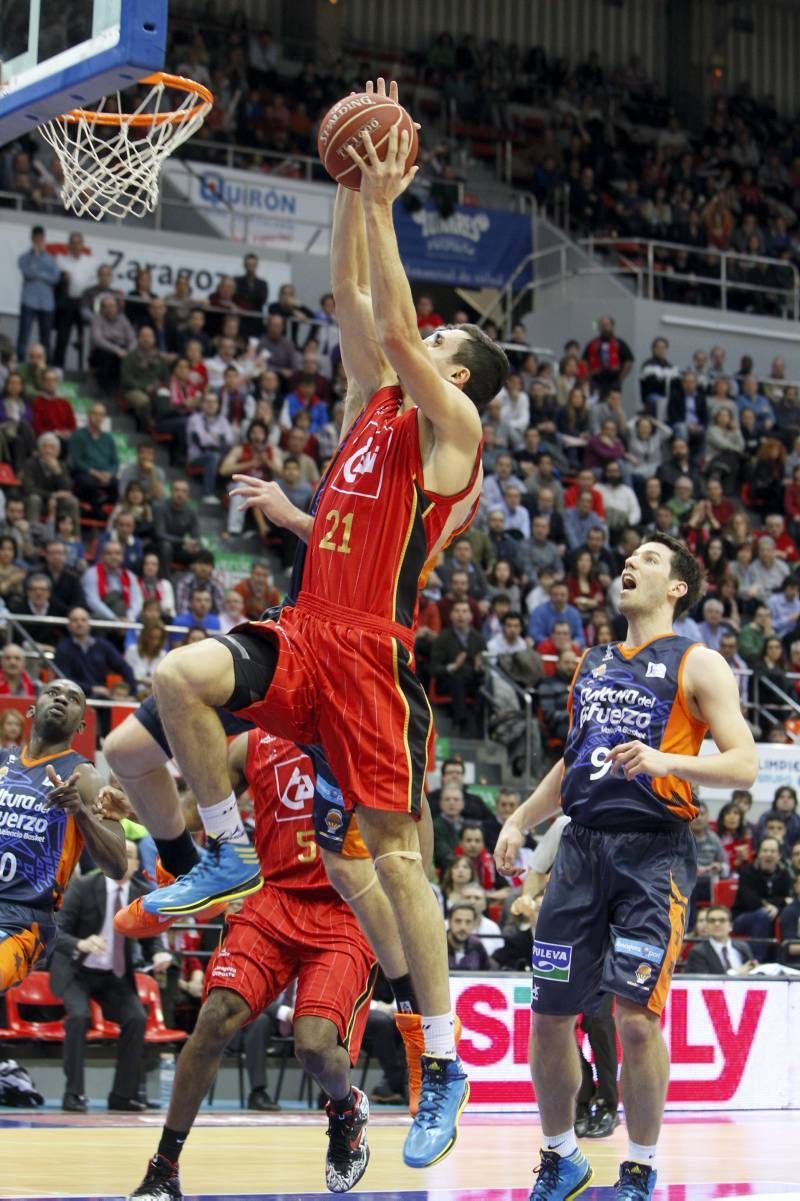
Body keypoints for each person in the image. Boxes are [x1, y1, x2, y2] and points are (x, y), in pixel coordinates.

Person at [141, 85, 507, 1171]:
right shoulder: (371, 406)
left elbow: (392, 320)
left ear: (458, 374)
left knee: (399, 868)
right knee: (176, 677)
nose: (420, 340)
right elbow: (355, 294)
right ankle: (225, 845)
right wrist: (351, 186)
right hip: (304, 629)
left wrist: (387, 191)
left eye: (441, 341)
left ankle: (440, 1059)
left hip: (371, 657)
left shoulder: (453, 428)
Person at [495, 532, 758, 1200]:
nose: (628, 565)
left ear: (676, 587)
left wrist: (673, 761)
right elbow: (574, 760)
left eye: (648, 559)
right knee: (550, 1012)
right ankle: (561, 1156)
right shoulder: (594, 662)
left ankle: (638, 1166)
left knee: (636, 1018)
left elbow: (745, 763)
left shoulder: (700, 664)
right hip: (582, 847)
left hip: (653, 850)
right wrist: (521, 818)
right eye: (627, 558)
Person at [125, 729, 377, 1198]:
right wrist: (144, 815)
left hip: (345, 907)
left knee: (315, 1048)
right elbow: (194, 807)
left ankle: (346, 1109)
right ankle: (164, 1168)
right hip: (271, 898)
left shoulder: (363, 730)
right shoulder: (252, 744)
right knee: (215, 1019)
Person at [0, 679, 127, 995]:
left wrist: (80, 812)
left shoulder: (85, 777)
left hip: (22, 919)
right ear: (31, 708)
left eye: (73, 699)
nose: (61, 700)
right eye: (53, 693)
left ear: (82, 725)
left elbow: (118, 865)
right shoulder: (3, 762)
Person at [51, 839, 171, 1112]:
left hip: (113, 976)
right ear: (105, 859)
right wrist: (80, 944)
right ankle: (73, 1094)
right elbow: (56, 932)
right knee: (79, 1017)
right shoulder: (83, 887)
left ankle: (122, 1095)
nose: (123, 860)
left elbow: (153, 937)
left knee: (136, 1018)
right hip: (76, 971)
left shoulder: (142, 897)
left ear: (138, 864)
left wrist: (159, 954)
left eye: (129, 855)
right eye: (117, 853)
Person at [17, 225, 60, 359]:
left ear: (43, 239)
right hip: (29, 300)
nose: (39, 240)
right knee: (24, 334)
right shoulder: (24, 258)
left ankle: (46, 364)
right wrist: (35, 258)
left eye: (41, 238)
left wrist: (39, 274)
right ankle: (21, 361)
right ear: (32, 238)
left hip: (47, 303)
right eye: (36, 238)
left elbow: (55, 278)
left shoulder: (51, 259)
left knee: (46, 336)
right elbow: (28, 273)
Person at [683, 905, 758, 975]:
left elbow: (752, 971)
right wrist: (735, 973)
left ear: (730, 926)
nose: (717, 924)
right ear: (707, 926)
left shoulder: (742, 947)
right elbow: (702, 983)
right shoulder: (697, 952)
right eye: (712, 920)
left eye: (722, 920)